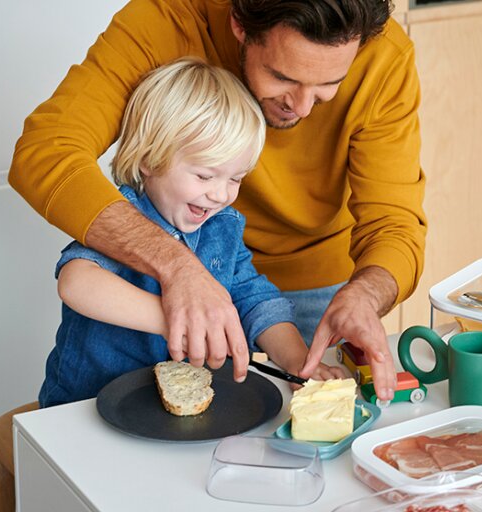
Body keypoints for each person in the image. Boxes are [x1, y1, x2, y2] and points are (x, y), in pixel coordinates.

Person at [10, 0, 427, 401]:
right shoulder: (166, 17)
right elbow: (49, 152)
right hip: (117, 381)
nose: (302, 107)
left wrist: (358, 301)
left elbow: (393, 224)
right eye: (282, 77)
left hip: (298, 296)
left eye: (328, 85)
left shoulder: (383, 54)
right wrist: (179, 276)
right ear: (240, 24)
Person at [39, 57, 345, 407]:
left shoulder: (222, 226)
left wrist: (297, 363)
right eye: (204, 176)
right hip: (83, 409)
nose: (220, 194)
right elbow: (76, 283)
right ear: (149, 160)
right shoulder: (121, 217)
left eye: (235, 179)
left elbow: (256, 301)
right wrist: (183, 320)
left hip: (176, 414)